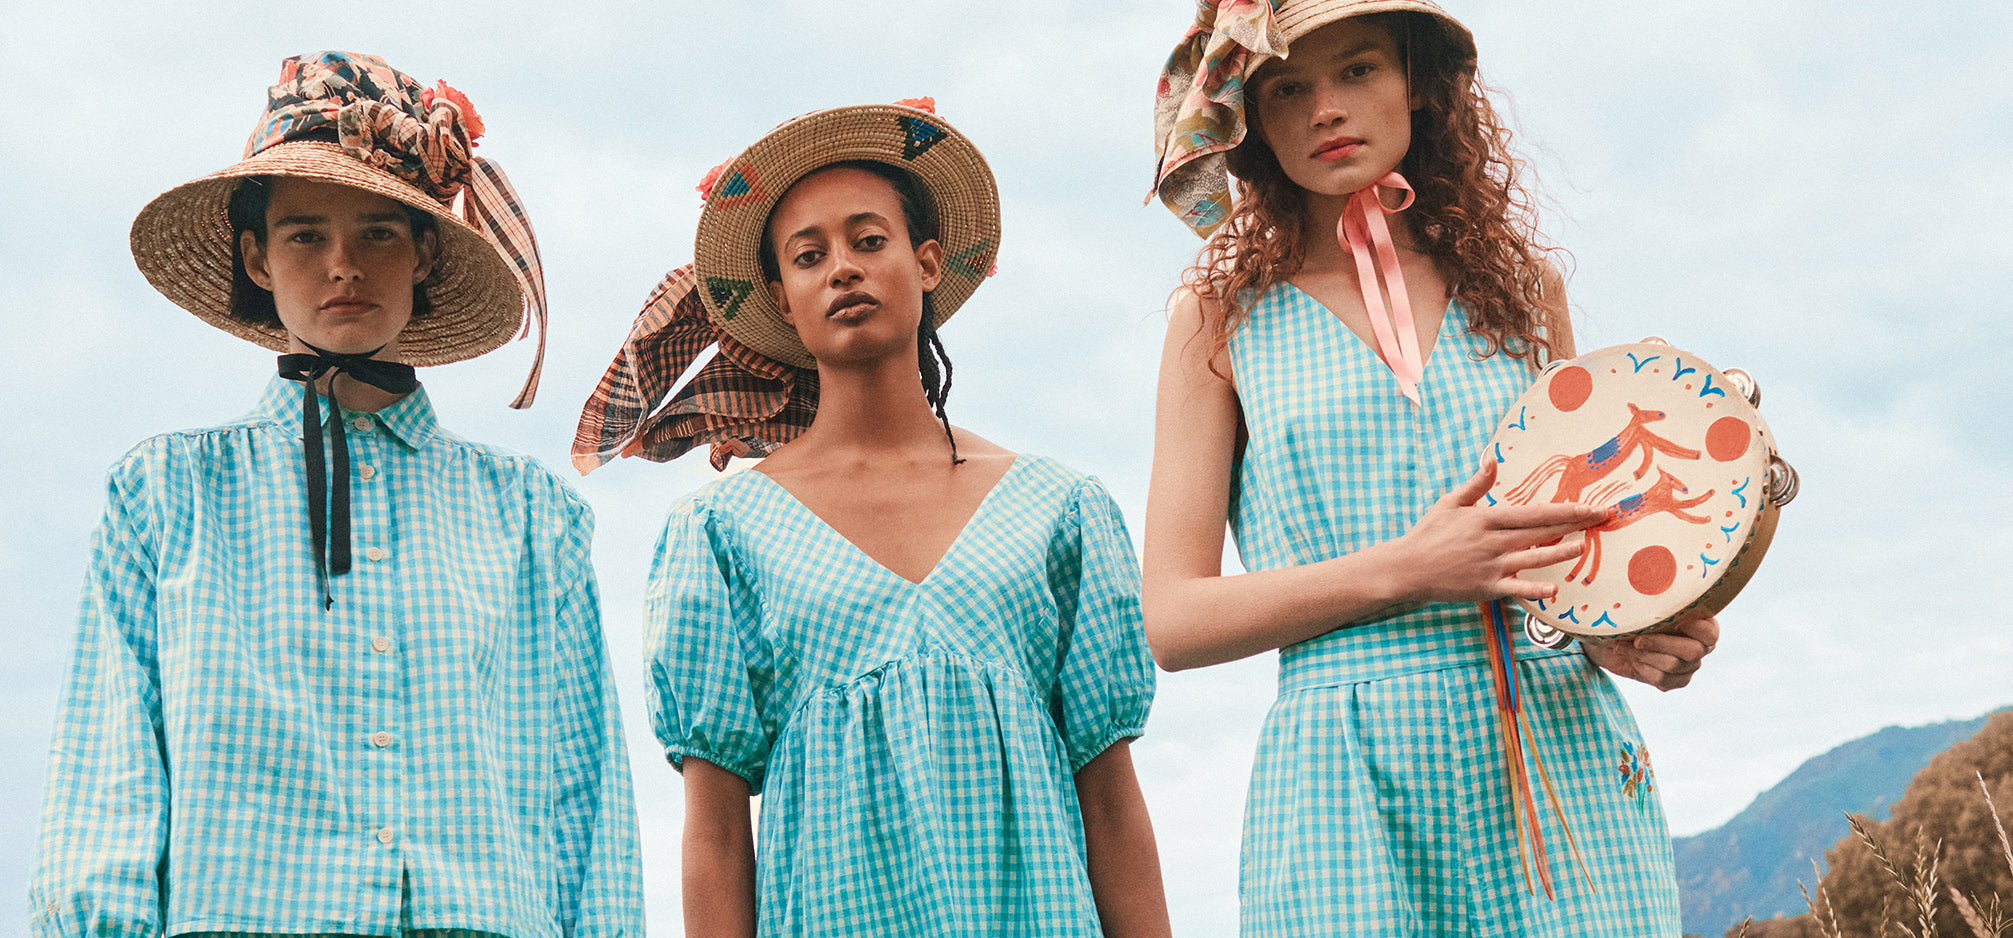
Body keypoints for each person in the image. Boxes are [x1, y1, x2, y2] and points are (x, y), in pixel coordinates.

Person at [30, 52, 642, 938]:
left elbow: (583, 792)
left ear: (426, 251)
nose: (343, 265)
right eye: (306, 234)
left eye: (380, 234)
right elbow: (109, 766)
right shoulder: (166, 493)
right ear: (257, 256)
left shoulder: (531, 517)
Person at [1144, 2, 1718, 934]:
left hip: (1555, 754)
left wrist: (1622, 634)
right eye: (1288, 87)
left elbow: (1569, 550)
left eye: (1357, 70)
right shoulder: (1215, 317)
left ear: (1416, 80)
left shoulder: (1525, 287)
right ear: (1251, 120)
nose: (1326, 108)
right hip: (1343, 784)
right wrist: (1409, 568)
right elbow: (1172, 619)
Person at [573, 100, 1171, 937]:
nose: (842, 269)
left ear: (926, 262)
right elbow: (713, 833)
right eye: (809, 255)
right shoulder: (721, 534)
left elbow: (1109, 805)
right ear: (782, 300)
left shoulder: (1057, 508)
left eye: (868, 240)